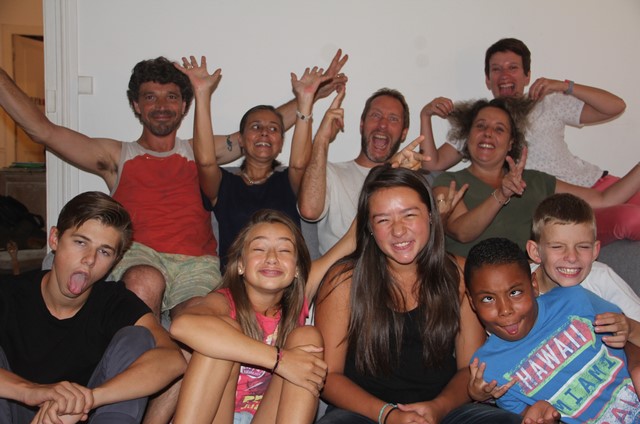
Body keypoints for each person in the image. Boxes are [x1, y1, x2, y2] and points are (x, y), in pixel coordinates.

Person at [0, 52, 348, 321]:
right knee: (145, 281)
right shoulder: (116, 156)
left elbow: (260, 131)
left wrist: (310, 98)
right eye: (150, 97)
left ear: (184, 106)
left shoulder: (200, 151)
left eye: (171, 97)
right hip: (140, 256)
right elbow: (43, 131)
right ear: (136, 105)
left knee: (198, 320)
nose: (162, 106)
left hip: (196, 264)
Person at [314, 165, 522, 424]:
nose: (398, 231)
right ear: (369, 227)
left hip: (443, 411)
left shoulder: (458, 273)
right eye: (383, 220)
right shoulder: (343, 280)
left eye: (409, 215)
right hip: (364, 413)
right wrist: (388, 415)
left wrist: (437, 409)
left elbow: (469, 368)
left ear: (431, 216)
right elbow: (329, 376)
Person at [420, 37, 639, 244]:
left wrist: (565, 86)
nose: (505, 75)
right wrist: (426, 116)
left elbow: (615, 106)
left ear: (527, 76)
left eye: (513, 67)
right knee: (632, 218)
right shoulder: (480, 126)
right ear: (487, 79)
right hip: (566, 207)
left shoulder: (547, 103)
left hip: (599, 185)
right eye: (496, 69)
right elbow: (432, 163)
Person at [0, 191, 186, 424]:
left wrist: (87, 399)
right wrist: (31, 391)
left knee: (138, 338)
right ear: (55, 239)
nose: (89, 259)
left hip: (88, 419)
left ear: (115, 261)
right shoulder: (9, 293)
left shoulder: (114, 302)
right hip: (15, 417)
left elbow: (172, 358)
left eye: (104, 251)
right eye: (80, 242)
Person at [169, 209, 356, 424]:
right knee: (218, 338)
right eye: (259, 249)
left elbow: (350, 242)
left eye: (284, 250)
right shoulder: (223, 302)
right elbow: (181, 326)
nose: (272, 258)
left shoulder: (297, 301)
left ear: (297, 269)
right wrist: (280, 360)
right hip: (215, 418)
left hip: (263, 419)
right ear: (241, 264)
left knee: (307, 337)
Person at [464, 237, 640, 424]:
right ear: (472, 302)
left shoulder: (575, 299)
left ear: (533, 285)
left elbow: (627, 336)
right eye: (488, 299)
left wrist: (636, 366)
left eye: (515, 292)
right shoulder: (488, 370)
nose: (505, 310)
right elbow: (531, 417)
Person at [432, 98, 640, 257]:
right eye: (480, 126)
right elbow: (462, 232)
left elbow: (604, 200)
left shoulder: (534, 181)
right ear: (467, 135)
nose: (488, 133)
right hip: (469, 279)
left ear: (511, 143)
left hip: (526, 280)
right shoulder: (447, 182)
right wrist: (501, 195)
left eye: (499, 129)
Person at [178, 56, 330, 269]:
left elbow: (299, 165)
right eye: (256, 127)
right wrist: (202, 94)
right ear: (240, 139)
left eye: (273, 129)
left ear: (281, 143)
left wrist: (305, 101)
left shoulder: (288, 181)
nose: (265, 132)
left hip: (284, 277)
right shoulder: (224, 184)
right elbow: (204, 162)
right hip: (237, 280)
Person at [298, 87, 425, 255]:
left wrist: (394, 172)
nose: (382, 125)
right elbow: (309, 211)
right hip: (344, 269)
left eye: (393, 119)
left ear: (403, 134)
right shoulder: (330, 173)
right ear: (362, 124)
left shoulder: (408, 181)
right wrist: (322, 138)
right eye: (376, 115)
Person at [527, 193, 640, 327]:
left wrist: (630, 329)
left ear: (595, 251)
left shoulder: (601, 278)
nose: (572, 257)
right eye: (557, 247)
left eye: (583, 246)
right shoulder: (519, 285)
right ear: (535, 251)